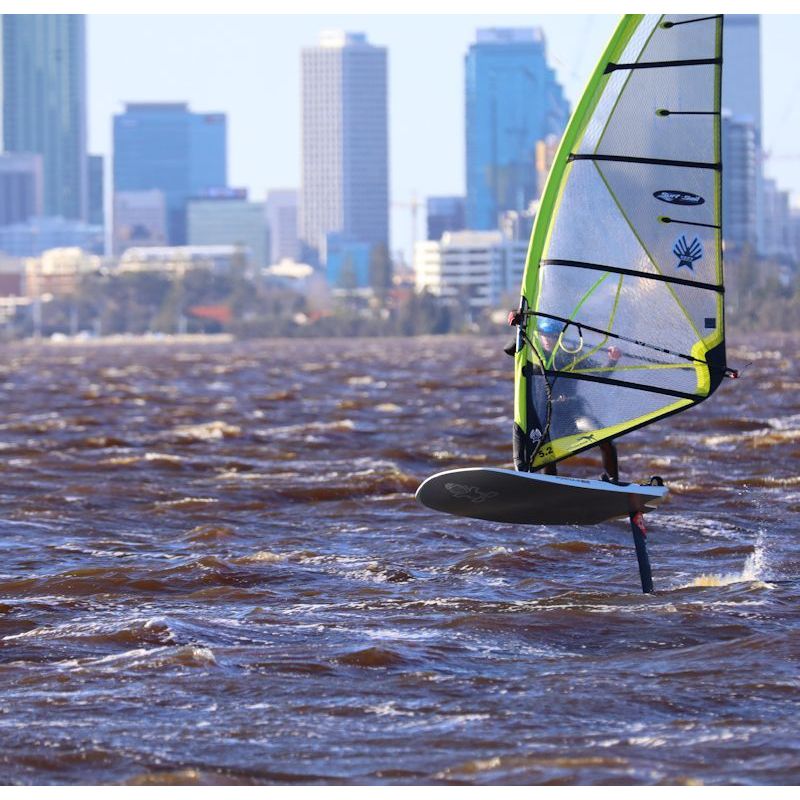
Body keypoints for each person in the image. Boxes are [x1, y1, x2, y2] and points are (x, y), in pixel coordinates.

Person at [508, 317, 621, 481]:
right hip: (545, 417)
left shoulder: (572, 356)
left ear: (559, 336)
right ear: (538, 335)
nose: (548, 339)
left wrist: (612, 360)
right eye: (544, 335)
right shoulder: (531, 356)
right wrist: (520, 324)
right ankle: (549, 485)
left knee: (605, 439)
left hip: (572, 414)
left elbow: (602, 373)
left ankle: (613, 482)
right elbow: (508, 349)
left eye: (552, 335)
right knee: (546, 453)